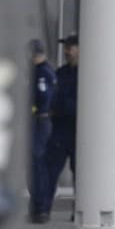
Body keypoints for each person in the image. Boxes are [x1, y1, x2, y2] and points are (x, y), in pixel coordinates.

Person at [42, 33, 79, 218]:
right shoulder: (62, 73)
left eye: (69, 47)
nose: (66, 51)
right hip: (60, 129)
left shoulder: (88, 74)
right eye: (65, 47)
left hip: (79, 131)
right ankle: (43, 209)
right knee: (51, 170)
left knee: (80, 175)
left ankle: (80, 211)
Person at [28, 40, 58, 222]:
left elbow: (44, 98)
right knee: (34, 166)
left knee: (38, 165)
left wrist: (36, 111)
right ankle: (37, 206)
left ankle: (41, 208)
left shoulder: (42, 73)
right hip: (40, 122)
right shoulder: (42, 72)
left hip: (40, 123)